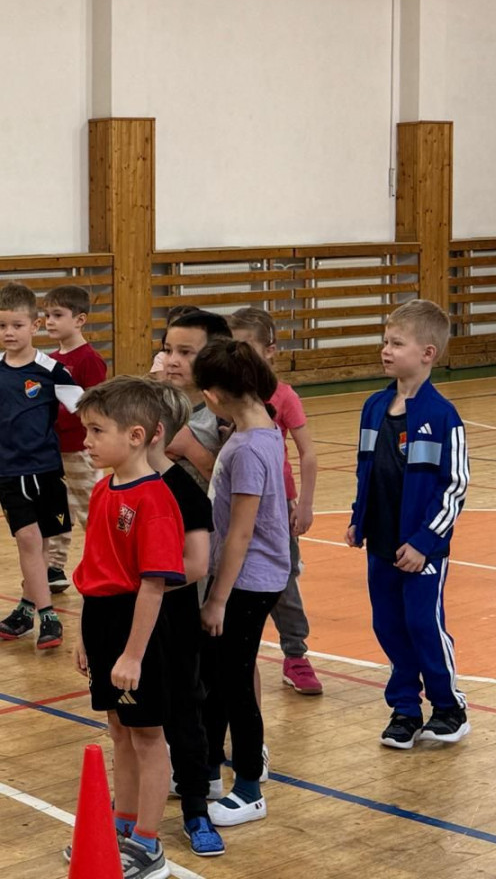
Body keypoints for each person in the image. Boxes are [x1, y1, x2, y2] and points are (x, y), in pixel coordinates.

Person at [69, 376, 185, 879]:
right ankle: (122, 825)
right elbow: (93, 568)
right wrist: (84, 634)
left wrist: (133, 654)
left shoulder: (154, 499)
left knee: (147, 735)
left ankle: (148, 842)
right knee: (119, 728)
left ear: (136, 436)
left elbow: (153, 586)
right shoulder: (102, 490)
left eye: (97, 431)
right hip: (102, 620)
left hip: (136, 624)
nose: (86, 441)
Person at [347, 299, 471, 749]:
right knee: (388, 626)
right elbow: (366, 470)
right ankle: (404, 709)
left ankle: (448, 707)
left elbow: (455, 487)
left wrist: (423, 542)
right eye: (385, 341)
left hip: (422, 549)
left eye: (397, 344)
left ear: (427, 353)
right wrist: (358, 518)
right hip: (380, 543)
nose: (386, 350)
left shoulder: (442, 416)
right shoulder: (373, 406)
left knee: (423, 625)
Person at [192, 339, 290, 827]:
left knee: (235, 685)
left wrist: (217, 599)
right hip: (241, 578)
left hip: (248, 582)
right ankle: (209, 771)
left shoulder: (250, 448)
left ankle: (249, 786)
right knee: (214, 678)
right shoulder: (257, 430)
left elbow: (242, 532)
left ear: (212, 396)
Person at [0, 281, 82, 649]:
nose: (9, 332)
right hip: (8, 472)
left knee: (43, 544)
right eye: (1, 325)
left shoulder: (53, 370)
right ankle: (48, 616)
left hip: (46, 469)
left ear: (35, 325)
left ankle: (24, 609)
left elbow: (86, 409)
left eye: (17, 325)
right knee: (27, 539)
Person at [228, 308, 323, 696]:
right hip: (234, 498)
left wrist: (305, 504)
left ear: (270, 350)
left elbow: (308, 453)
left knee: (283, 580)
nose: (238, 354)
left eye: (245, 346)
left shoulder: (283, 395)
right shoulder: (225, 394)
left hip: (276, 504)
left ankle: (295, 654)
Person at [148, 380, 224, 858]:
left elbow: (196, 565)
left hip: (174, 626)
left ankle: (196, 809)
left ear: (146, 433)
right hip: (126, 628)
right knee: (132, 724)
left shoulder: (185, 493)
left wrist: (143, 590)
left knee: (184, 717)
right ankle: (131, 813)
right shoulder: (112, 490)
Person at [40, 284, 109, 594]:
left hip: (81, 450)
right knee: (55, 508)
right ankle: (54, 566)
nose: (50, 321)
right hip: (53, 451)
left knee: (89, 510)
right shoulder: (49, 360)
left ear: (80, 319)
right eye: (47, 315)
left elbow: (93, 407)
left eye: (57, 315)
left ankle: (103, 561)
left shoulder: (89, 359)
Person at [159, 310, 232, 491]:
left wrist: (189, 447)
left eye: (185, 352)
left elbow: (236, 485)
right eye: (168, 350)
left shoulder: (229, 413)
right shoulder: (153, 405)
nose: (172, 361)